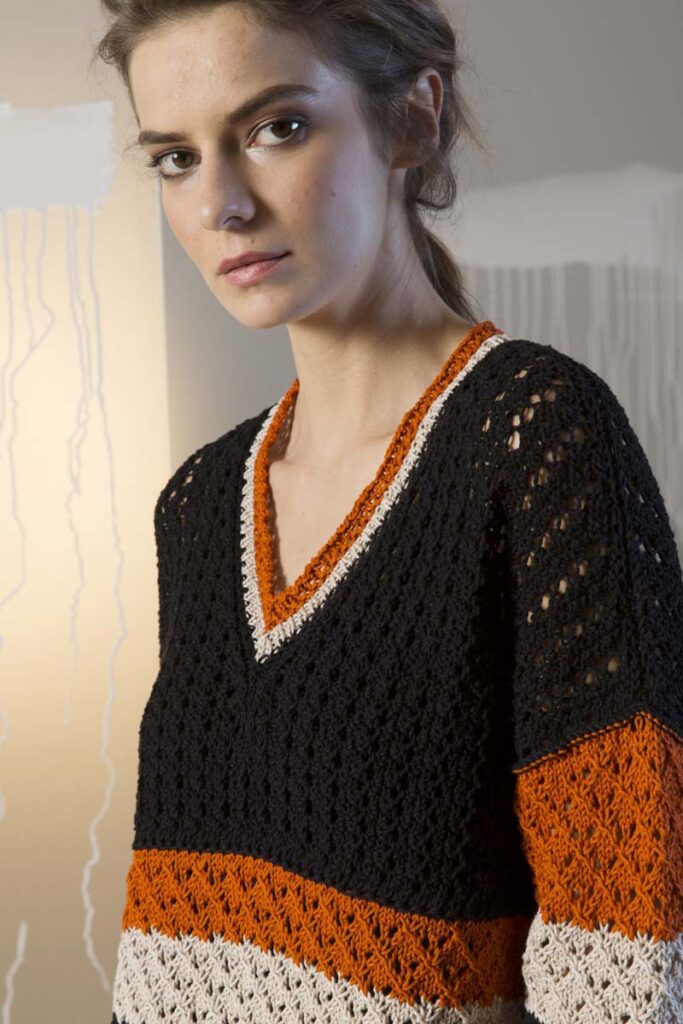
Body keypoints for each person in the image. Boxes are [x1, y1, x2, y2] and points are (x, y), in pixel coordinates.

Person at [92, 2, 683, 1022]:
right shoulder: (199, 502)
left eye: (275, 127)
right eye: (175, 159)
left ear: (412, 119)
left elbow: (620, 957)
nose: (221, 204)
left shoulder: (534, 436)